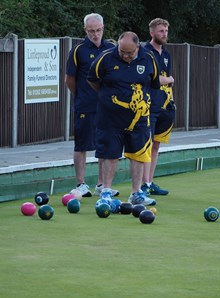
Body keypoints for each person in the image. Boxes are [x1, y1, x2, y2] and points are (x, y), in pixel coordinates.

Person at [87, 31, 160, 205]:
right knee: (109, 154)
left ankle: (136, 193)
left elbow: (154, 84)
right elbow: (92, 80)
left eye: (129, 53)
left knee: (138, 155)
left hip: (139, 119)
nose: (125, 56)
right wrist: (107, 97)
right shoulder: (106, 58)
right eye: (122, 52)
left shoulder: (148, 59)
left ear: (138, 47)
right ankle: (106, 191)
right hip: (110, 119)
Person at [65, 13, 118, 197]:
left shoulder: (112, 49)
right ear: (85, 30)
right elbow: (69, 79)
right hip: (85, 106)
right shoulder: (78, 50)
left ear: (103, 28)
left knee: (104, 145)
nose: (95, 34)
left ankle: (102, 185)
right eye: (91, 31)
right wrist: (82, 95)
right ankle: (81, 184)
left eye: (98, 30)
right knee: (81, 145)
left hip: (107, 107)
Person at [141, 18, 176, 196]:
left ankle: (149, 181)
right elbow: (151, 79)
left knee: (156, 145)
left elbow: (167, 81)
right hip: (149, 106)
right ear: (152, 32)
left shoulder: (167, 54)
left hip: (165, 105)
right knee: (146, 145)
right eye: (161, 31)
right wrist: (168, 80)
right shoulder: (144, 52)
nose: (164, 34)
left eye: (166, 31)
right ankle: (143, 184)